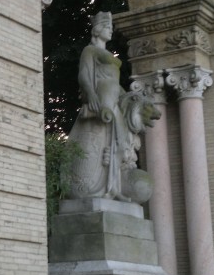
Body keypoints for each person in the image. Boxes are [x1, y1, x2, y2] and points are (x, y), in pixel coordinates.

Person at [65, 11, 156, 203]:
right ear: (97, 29)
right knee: (105, 144)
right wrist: (91, 94)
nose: (110, 31)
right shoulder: (90, 51)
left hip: (114, 101)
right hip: (102, 101)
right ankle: (103, 186)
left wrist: (128, 98)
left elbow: (115, 83)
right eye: (107, 27)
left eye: (111, 27)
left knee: (119, 144)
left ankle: (114, 187)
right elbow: (84, 75)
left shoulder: (108, 54)